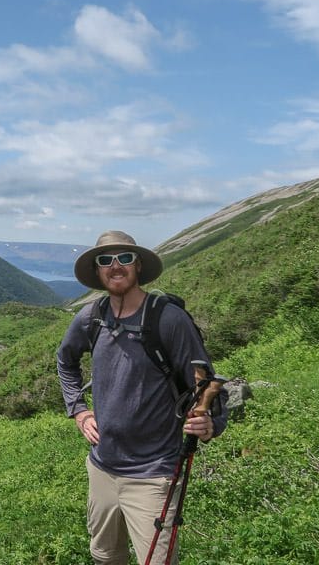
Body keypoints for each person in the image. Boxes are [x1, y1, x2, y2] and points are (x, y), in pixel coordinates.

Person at [56, 230, 227, 565]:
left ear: (137, 265)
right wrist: (78, 410)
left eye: (124, 258)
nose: (115, 265)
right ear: (97, 270)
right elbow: (66, 360)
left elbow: (204, 379)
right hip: (102, 466)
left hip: (153, 472)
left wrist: (211, 423)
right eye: (105, 260)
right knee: (105, 556)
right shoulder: (91, 318)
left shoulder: (169, 319)